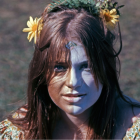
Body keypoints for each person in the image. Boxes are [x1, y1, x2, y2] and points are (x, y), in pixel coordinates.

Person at [0, 0, 140, 139]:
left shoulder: (135, 129)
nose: (73, 82)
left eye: (86, 66)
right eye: (59, 67)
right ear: (41, 72)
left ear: (106, 68)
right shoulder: (17, 133)